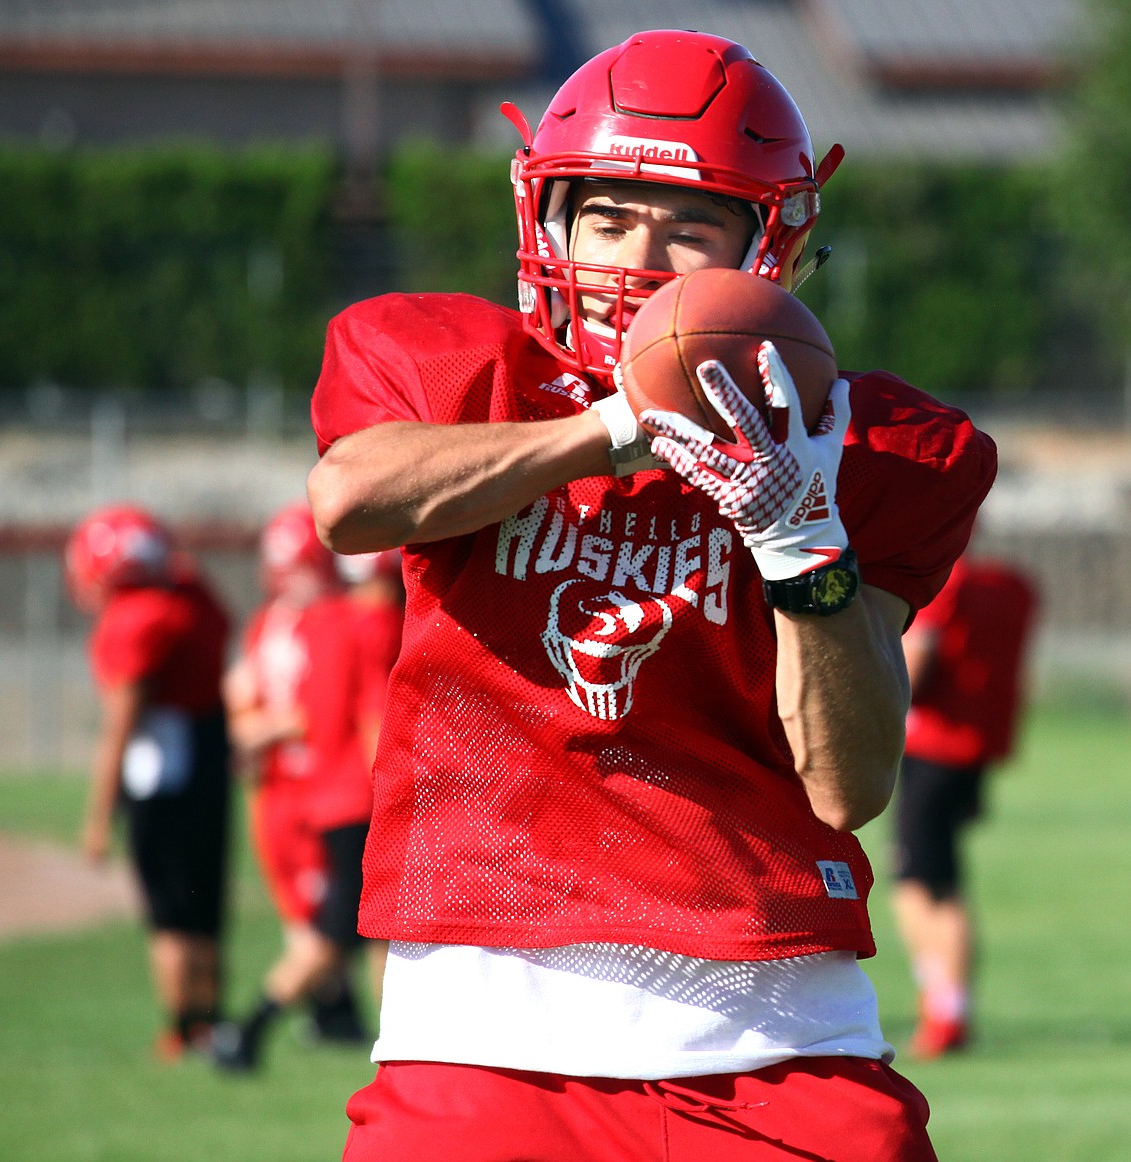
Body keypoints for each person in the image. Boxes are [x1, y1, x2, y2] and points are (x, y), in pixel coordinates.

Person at [306, 29, 997, 1161]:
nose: (639, 259)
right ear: (550, 221)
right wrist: (612, 433)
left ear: (767, 244)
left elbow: (850, 782)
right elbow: (350, 500)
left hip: (774, 1026)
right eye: (611, 216)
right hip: (485, 1020)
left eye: (690, 228)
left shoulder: (867, 449)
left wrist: (799, 537)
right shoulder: (460, 371)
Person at [212, 502, 402, 1072]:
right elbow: (373, 716)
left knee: (372, 928)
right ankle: (251, 1028)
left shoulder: (316, 624)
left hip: (317, 791)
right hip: (356, 794)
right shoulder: (365, 624)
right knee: (339, 927)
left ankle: (380, 1033)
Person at [65, 504, 232, 1061]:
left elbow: (121, 725)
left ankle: (183, 1029)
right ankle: (212, 1022)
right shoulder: (192, 597)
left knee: (169, 914)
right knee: (205, 904)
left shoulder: (136, 619)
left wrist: (97, 816)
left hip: (164, 772)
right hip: (210, 757)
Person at [892, 550, 1037, 1059]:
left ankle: (948, 1011)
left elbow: (918, 657)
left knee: (929, 883)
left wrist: (869, 702)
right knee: (919, 879)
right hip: (974, 748)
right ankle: (942, 1000)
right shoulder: (1013, 584)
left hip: (933, 745)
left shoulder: (944, 581)